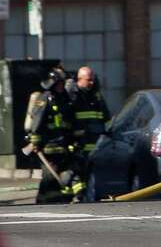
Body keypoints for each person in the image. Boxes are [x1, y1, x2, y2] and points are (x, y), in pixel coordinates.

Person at [25, 67, 84, 203]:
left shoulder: (64, 99)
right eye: (59, 83)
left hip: (63, 147)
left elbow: (70, 122)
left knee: (68, 175)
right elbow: (37, 121)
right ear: (52, 83)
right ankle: (42, 203)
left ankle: (67, 200)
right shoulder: (45, 98)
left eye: (62, 83)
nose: (62, 86)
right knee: (49, 179)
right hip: (48, 148)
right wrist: (35, 141)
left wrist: (74, 140)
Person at [67, 66, 110, 160]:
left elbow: (106, 118)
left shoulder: (96, 96)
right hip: (79, 142)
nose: (92, 83)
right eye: (88, 80)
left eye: (92, 80)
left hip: (96, 141)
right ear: (79, 79)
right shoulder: (71, 95)